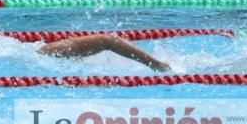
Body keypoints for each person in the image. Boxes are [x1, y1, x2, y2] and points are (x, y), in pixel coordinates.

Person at [38, 34, 170, 72]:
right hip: (42, 54)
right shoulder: (43, 52)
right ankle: (156, 65)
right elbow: (108, 40)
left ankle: (156, 65)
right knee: (107, 40)